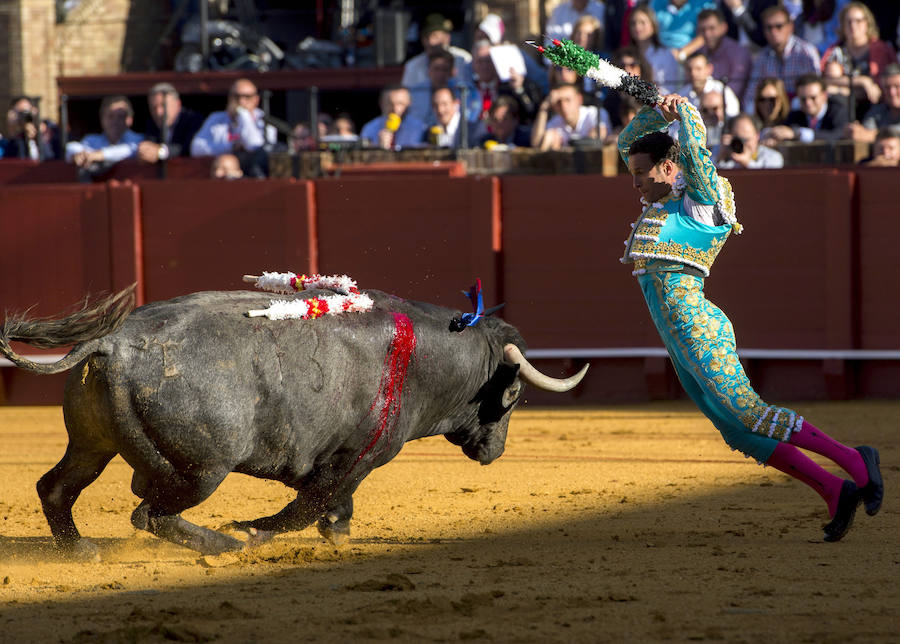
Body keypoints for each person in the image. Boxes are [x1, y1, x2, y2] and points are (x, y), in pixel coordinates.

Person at [616, 92, 882, 542]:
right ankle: (834, 490)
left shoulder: (701, 202)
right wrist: (653, 112)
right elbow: (628, 142)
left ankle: (855, 460)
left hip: (698, 328)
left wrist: (687, 113)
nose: (635, 182)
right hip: (677, 338)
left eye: (642, 173)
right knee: (738, 432)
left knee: (750, 413)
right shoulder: (661, 202)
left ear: (668, 168)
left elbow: (697, 155)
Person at [819, 2, 894, 120]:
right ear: (842, 25)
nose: (853, 26)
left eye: (858, 21)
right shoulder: (836, 51)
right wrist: (863, 81)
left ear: (867, 23)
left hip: (875, 107)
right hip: (841, 109)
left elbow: (880, 89)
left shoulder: (881, 50)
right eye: (848, 21)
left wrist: (843, 88)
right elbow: (825, 83)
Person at [742, 6, 821, 109]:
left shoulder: (806, 53)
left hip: (801, 112)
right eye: (769, 28)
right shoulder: (762, 58)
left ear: (790, 27)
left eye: (779, 26)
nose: (774, 32)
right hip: (771, 116)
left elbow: (816, 90)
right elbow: (750, 97)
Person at [65, 95, 143, 176]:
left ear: (130, 119)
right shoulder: (92, 140)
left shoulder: (139, 140)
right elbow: (71, 148)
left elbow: (129, 150)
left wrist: (99, 155)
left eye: (120, 116)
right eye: (110, 116)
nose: (115, 121)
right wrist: (79, 155)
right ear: (102, 119)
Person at [471, 39, 543, 125]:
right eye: (480, 61)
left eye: (488, 61)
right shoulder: (468, 88)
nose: (484, 66)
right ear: (473, 63)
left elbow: (530, 114)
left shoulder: (509, 86)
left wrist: (518, 89)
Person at [766, 73, 849, 143]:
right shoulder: (795, 116)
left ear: (824, 96)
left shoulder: (838, 112)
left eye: (813, 98)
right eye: (803, 99)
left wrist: (799, 134)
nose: (808, 103)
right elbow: (785, 130)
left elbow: (839, 134)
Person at [406, 49, 480, 126]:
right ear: (428, 71)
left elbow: (469, 121)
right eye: (436, 69)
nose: (440, 74)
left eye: (444, 69)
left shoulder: (466, 91)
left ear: (453, 72)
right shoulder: (416, 92)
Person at [401, 13, 473, 90]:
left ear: (447, 38)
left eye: (437, 36)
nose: (432, 42)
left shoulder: (463, 58)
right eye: (429, 37)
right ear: (423, 40)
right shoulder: (412, 66)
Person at [137, 83, 204, 164]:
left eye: (163, 105)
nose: (159, 112)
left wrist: (160, 152)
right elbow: (149, 145)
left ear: (178, 104)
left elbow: (189, 148)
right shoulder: (151, 124)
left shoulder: (193, 120)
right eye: (154, 108)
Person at [531, 82, 611, 150]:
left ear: (579, 100)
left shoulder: (594, 113)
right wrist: (544, 108)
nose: (563, 106)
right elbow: (536, 143)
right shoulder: (556, 121)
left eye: (567, 100)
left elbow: (599, 136)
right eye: (558, 102)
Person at [696, 8, 752, 100]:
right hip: (702, 107)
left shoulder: (739, 53)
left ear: (723, 28)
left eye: (712, 28)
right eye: (702, 29)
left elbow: (734, 92)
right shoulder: (699, 53)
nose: (707, 34)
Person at [628, 5, 682, 89]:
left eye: (642, 22)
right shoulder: (626, 55)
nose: (637, 27)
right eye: (633, 23)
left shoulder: (665, 55)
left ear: (653, 25)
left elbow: (669, 88)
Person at [359, 85, 426, 150]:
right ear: (381, 103)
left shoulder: (420, 128)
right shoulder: (370, 128)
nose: (395, 109)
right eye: (390, 104)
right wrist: (378, 147)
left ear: (409, 103)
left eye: (400, 104)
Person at [846, 63, 900, 142]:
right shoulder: (878, 111)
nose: (892, 92)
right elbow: (864, 130)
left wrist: (871, 135)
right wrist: (854, 131)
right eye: (887, 87)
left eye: (897, 86)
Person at [677, 52, 741, 118]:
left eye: (698, 69)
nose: (693, 73)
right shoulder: (682, 94)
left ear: (709, 69)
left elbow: (733, 119)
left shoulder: (723, 91)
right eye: (689, 69)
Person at [647, 0, 716, 58]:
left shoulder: (702, 4)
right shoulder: (656, 2)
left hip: (691, 57)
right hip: (658, 54)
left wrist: (682, 53)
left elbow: (708, 34)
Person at [716, 112, 784, 168]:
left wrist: (748, 163)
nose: (743, 144)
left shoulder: (772, 157)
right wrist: (720, 159)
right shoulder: (722, 152)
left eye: (746, 139)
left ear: (757, 136)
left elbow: (769, 180)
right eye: (738, 139)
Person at [0, 96, 59, 160]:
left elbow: (52, 157)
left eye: (27, 111)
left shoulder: (50, 130)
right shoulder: (15, 141)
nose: (24, 116)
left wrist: (39, 136)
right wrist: (11, 128)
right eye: (20, 113)